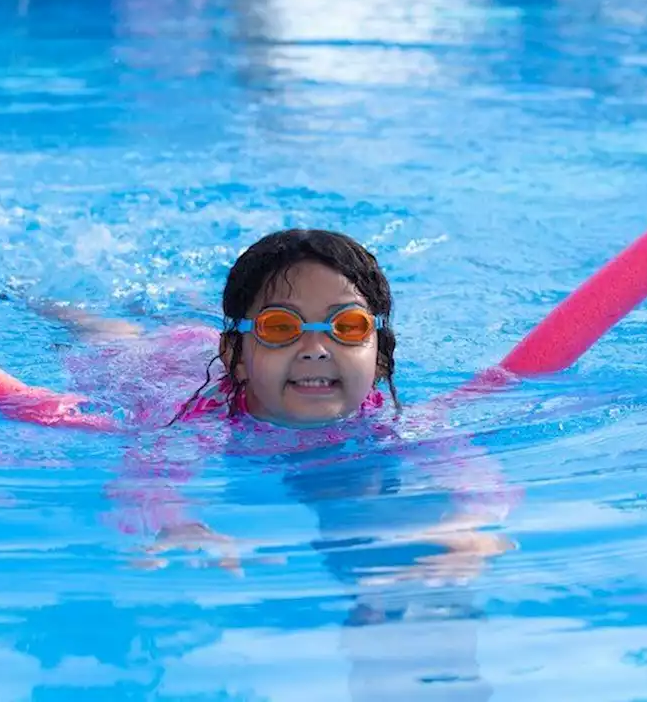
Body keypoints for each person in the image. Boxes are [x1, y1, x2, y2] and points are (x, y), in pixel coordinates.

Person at [38, 228, 517, 698]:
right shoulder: (203, 423)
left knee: (196, 309)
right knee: (110, 334)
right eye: (281, 328)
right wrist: (176, 522)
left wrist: (470, 522)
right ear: (236, 359)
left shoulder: (395, 422)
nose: (315, 346)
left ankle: (216, 308)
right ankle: (33, 293)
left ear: (381, 359)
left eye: (347, 327)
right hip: (165, 365)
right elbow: (145, 477)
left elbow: (474, 471)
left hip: (224, 344)